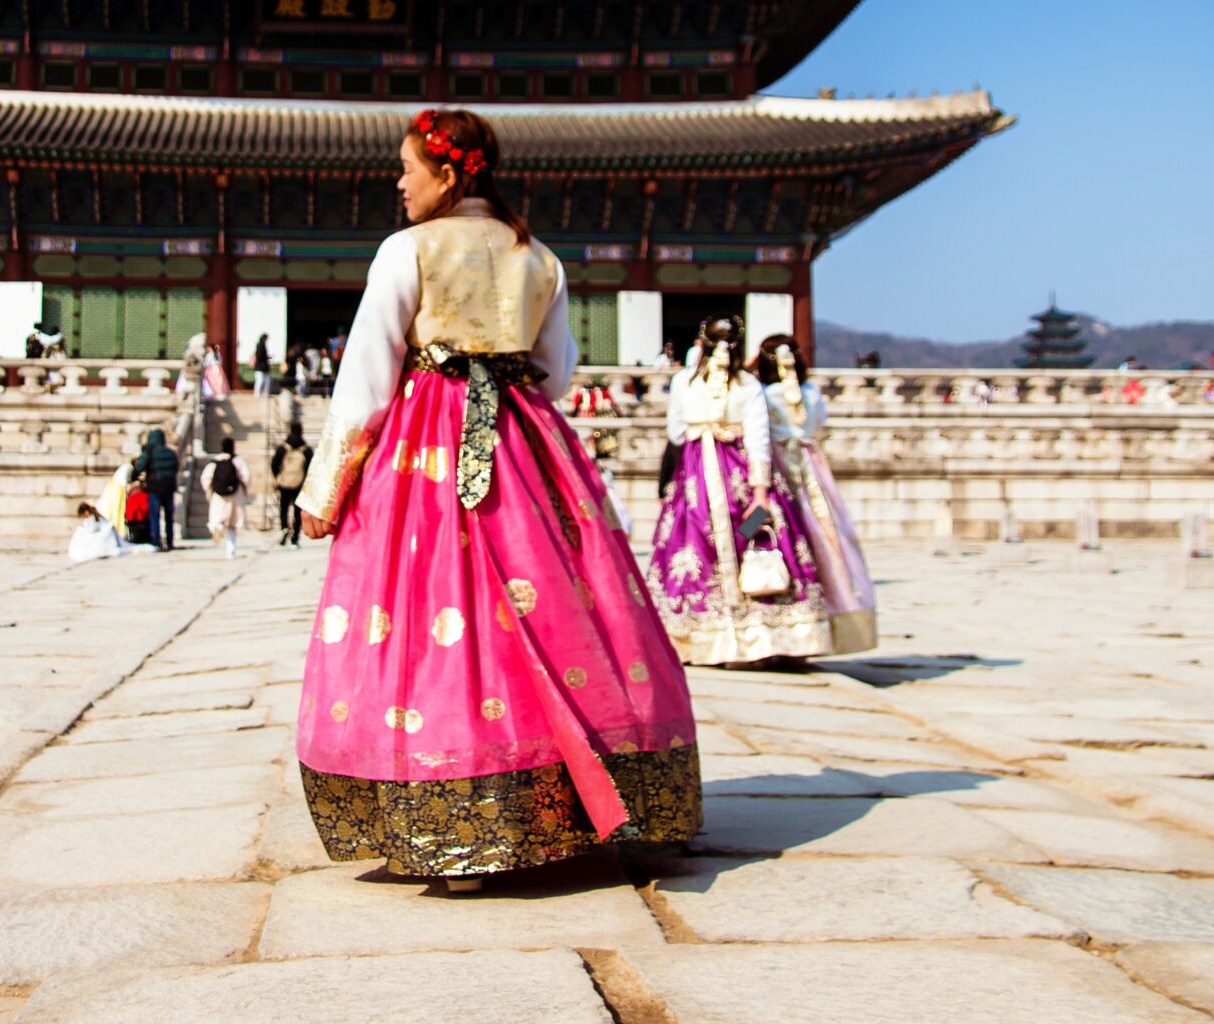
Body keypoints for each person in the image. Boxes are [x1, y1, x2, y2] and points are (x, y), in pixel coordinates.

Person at [295, 107, 698, 891]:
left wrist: (326, 490)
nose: (398, 182)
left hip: (425, 451)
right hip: (525, 441)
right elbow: (557, 368)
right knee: (557, 609)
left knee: (436, 620)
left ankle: (458, 824)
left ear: (446, 175)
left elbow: (366, 380)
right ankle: (595, 798)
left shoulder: (406, 251)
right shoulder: (536, 254)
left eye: (407, 168)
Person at [648, 317, 834, 665]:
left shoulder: (683, 382)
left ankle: (700, 636)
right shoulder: (748, 384)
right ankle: (765, 636)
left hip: (696, 476)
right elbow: (759, 439)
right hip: (741, 472)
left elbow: (675, 432)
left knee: (696, 547)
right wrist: (762, 492)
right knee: (753, 539)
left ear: (701, 344)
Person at [754, 335, 878, 654]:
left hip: (775, 466)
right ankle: (838, 607)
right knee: (829, 532)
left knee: (765, 529)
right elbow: (819, 422)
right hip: (811, 468)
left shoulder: (762, 394)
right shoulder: (810, 392)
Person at [137, 427, 181, 551]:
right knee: (169, 517)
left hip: (154, 488)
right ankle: (170, 542)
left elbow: (139, 467)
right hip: (169, 488)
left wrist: (136, 477)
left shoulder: (149, 452)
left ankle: (156, 542)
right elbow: (176, 468)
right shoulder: (171, 453)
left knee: (154, 516)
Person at [205, 436, 250, 557]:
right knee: (233, 524)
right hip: (235, 494)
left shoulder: (215, 461)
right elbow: (246, 476)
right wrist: (243, 490)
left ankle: (218, 527)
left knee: (218, 517)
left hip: (219, 495)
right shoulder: (238, 460)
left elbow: (205, 477)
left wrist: (209, 490)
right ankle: (231, 550)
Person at [269, 422, 312, 548]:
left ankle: (284, 528)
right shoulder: (306, 450)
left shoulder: (283, 448)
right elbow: (312, 466)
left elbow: (274, 464)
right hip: (300, 484)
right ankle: (295, 538)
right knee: (297, 512)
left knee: (283, 509)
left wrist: (278, 477)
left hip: (284, 483)